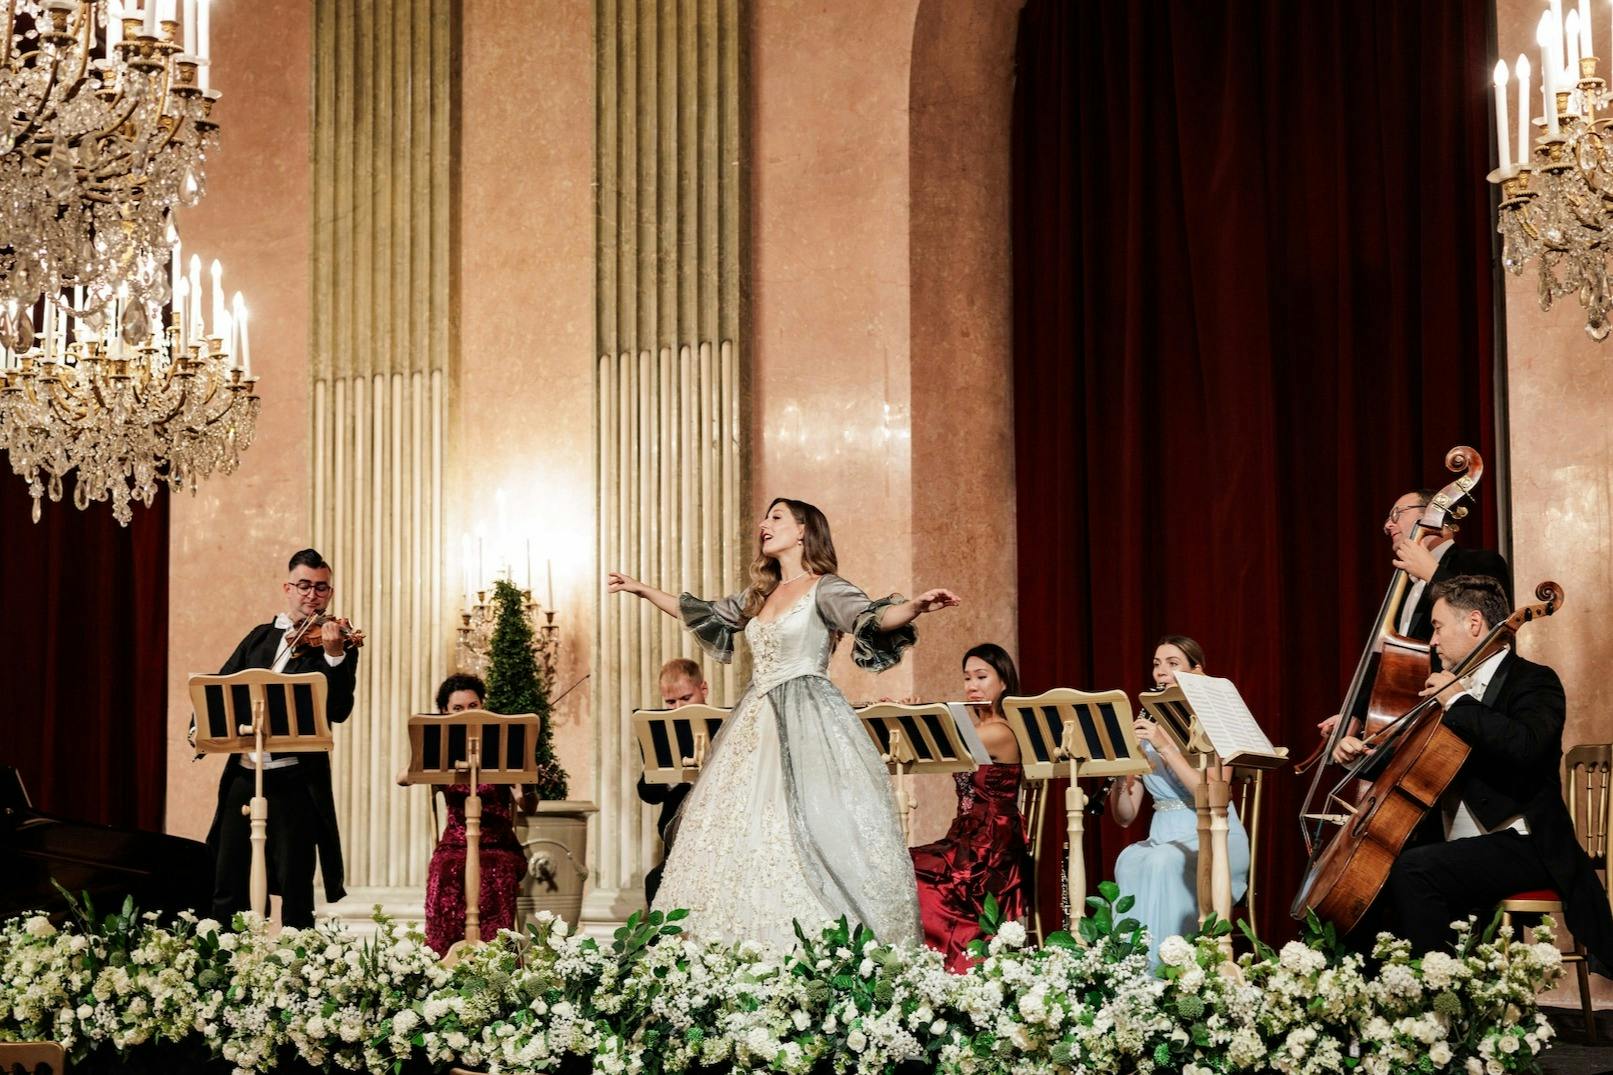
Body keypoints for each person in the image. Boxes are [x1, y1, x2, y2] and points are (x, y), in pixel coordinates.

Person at [608, 496, 959, 949]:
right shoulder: (761, 595)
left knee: (808, 821)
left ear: (802, 531)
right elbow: (705, 613)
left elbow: (870, 617)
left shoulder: (825, 587)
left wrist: (914, 607)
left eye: (776, 518)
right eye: (764, 517)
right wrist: (642, 589)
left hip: (808, 713)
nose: (763, 525)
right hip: (756, 717)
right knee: (737, 825)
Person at [1334, 576, 1613, 967]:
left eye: (1436, 627)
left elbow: (1526, 746)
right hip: (1456, 844)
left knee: (1415, 871)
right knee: (1369, 875)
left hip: (1524, 842)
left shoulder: (1533, 681)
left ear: (1475, 623)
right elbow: (1409, 758)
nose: (1431, 641)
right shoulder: (1446, 691)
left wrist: (1459, 701)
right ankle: (1370, 1005)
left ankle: (1444, 997)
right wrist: (1356, 758)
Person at [206, 548, 361, 928]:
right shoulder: (259, 637)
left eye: (321, 588)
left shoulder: (338, 642)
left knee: (295, 880)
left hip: (294, 778)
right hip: (245, 773)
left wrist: (334, 657)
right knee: (229, 873)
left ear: (330, 592)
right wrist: (201, 725)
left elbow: (338, 709)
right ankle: (232, 959)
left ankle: (293, 974)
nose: (312, 595)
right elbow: (222, 684)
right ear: (288, 588)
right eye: (304, 585)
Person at [1318, 488, 1513, 763]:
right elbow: (1386, 660)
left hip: (1466, 721)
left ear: (1434, 516)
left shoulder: (1480, 562)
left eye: (1397, 514)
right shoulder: (1401, 588)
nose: (1387, 525)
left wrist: (1432, 574)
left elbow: (1493, 627)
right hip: (1411, 726)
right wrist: (1356, 715)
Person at [1110, 635, 1250, 970]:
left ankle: (1169, 970)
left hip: (1214, 834)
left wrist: (1167, 749)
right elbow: (1126, 817)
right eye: (1157, 664)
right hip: (1164, 833)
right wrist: (1118, 773)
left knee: (1161, 862)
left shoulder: (1215, 722)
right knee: (1128, 859)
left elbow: (1213, 795)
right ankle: (1131, 973)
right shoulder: (1149, 729)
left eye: (1173, 664)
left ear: (1196, 671)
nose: (1162, 672)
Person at [909, 643, 1030, 971]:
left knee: (921, 875)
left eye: (982, 677)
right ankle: (930, 961)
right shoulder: (975, 728)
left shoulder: (1000, 730)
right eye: (967, 678)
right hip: (965, 834)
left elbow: (946, 744)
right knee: (904, 863)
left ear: (1003, 681)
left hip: (993, 842)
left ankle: (954, 964)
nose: (972, 686)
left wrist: (917, 719)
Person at [409, 673, 529, 954]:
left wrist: (525, 791)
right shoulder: (440, 749)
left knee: (494, 871)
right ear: (444, 713)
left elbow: (527, 804)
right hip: (455, 843)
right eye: (457, 709)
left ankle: (497, 959)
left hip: (499, 845)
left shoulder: (501, 745)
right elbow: (404, 776)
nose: (467, 715)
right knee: (445, 869)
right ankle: (444, 958)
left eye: (474, 706)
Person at [635, 658, 709, 906]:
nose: (678, 708)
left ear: (704, 690)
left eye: (686, 699)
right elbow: (649, 794)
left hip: (715, 833)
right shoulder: (660, 730)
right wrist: (667, 777)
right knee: (655, 882)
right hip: (676, 839)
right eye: (670, 702)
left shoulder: (726, 724)